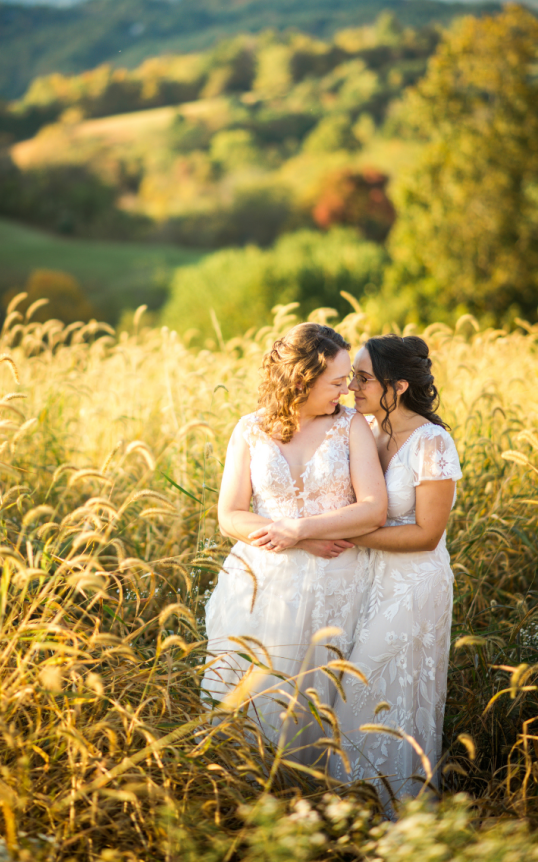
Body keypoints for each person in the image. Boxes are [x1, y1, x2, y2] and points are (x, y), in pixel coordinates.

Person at [202, 323, 387, 766]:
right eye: (338, 382)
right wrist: (298, 540)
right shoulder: (249, 429)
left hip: (338, 583)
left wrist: (302, 529)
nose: (346, 391)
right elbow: (231, 516)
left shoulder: (351, 425)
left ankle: (325, 795)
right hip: (264, 583)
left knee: (326, 690)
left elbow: (374, 508)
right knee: (260, 689)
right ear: (302, 380)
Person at [329, 334, 462, 810]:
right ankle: (351, 807)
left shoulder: (432, 443)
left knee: (386, 693)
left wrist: (354, 536)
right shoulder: (363, 429)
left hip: (414, 582)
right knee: (351, 688)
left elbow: (427, 533)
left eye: (363, 378)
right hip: (364, 577)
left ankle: (397, 811)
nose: (351, 387)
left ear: (398, 385)